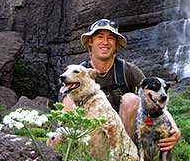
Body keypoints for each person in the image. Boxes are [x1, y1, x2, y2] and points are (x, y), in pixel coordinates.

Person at [63, 18, 180, 152]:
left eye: (110, 38)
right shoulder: (79, 72)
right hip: (90, 135)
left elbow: (154, 99)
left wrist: (174, 128)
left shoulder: (128, 71)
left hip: (124, 135)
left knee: (131, 99)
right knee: (68, 102)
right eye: (100, 37)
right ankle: (75, 155)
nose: (105, 42)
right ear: (91, 41)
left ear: (116, 43)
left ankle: (127, 156)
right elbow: (65, 110)